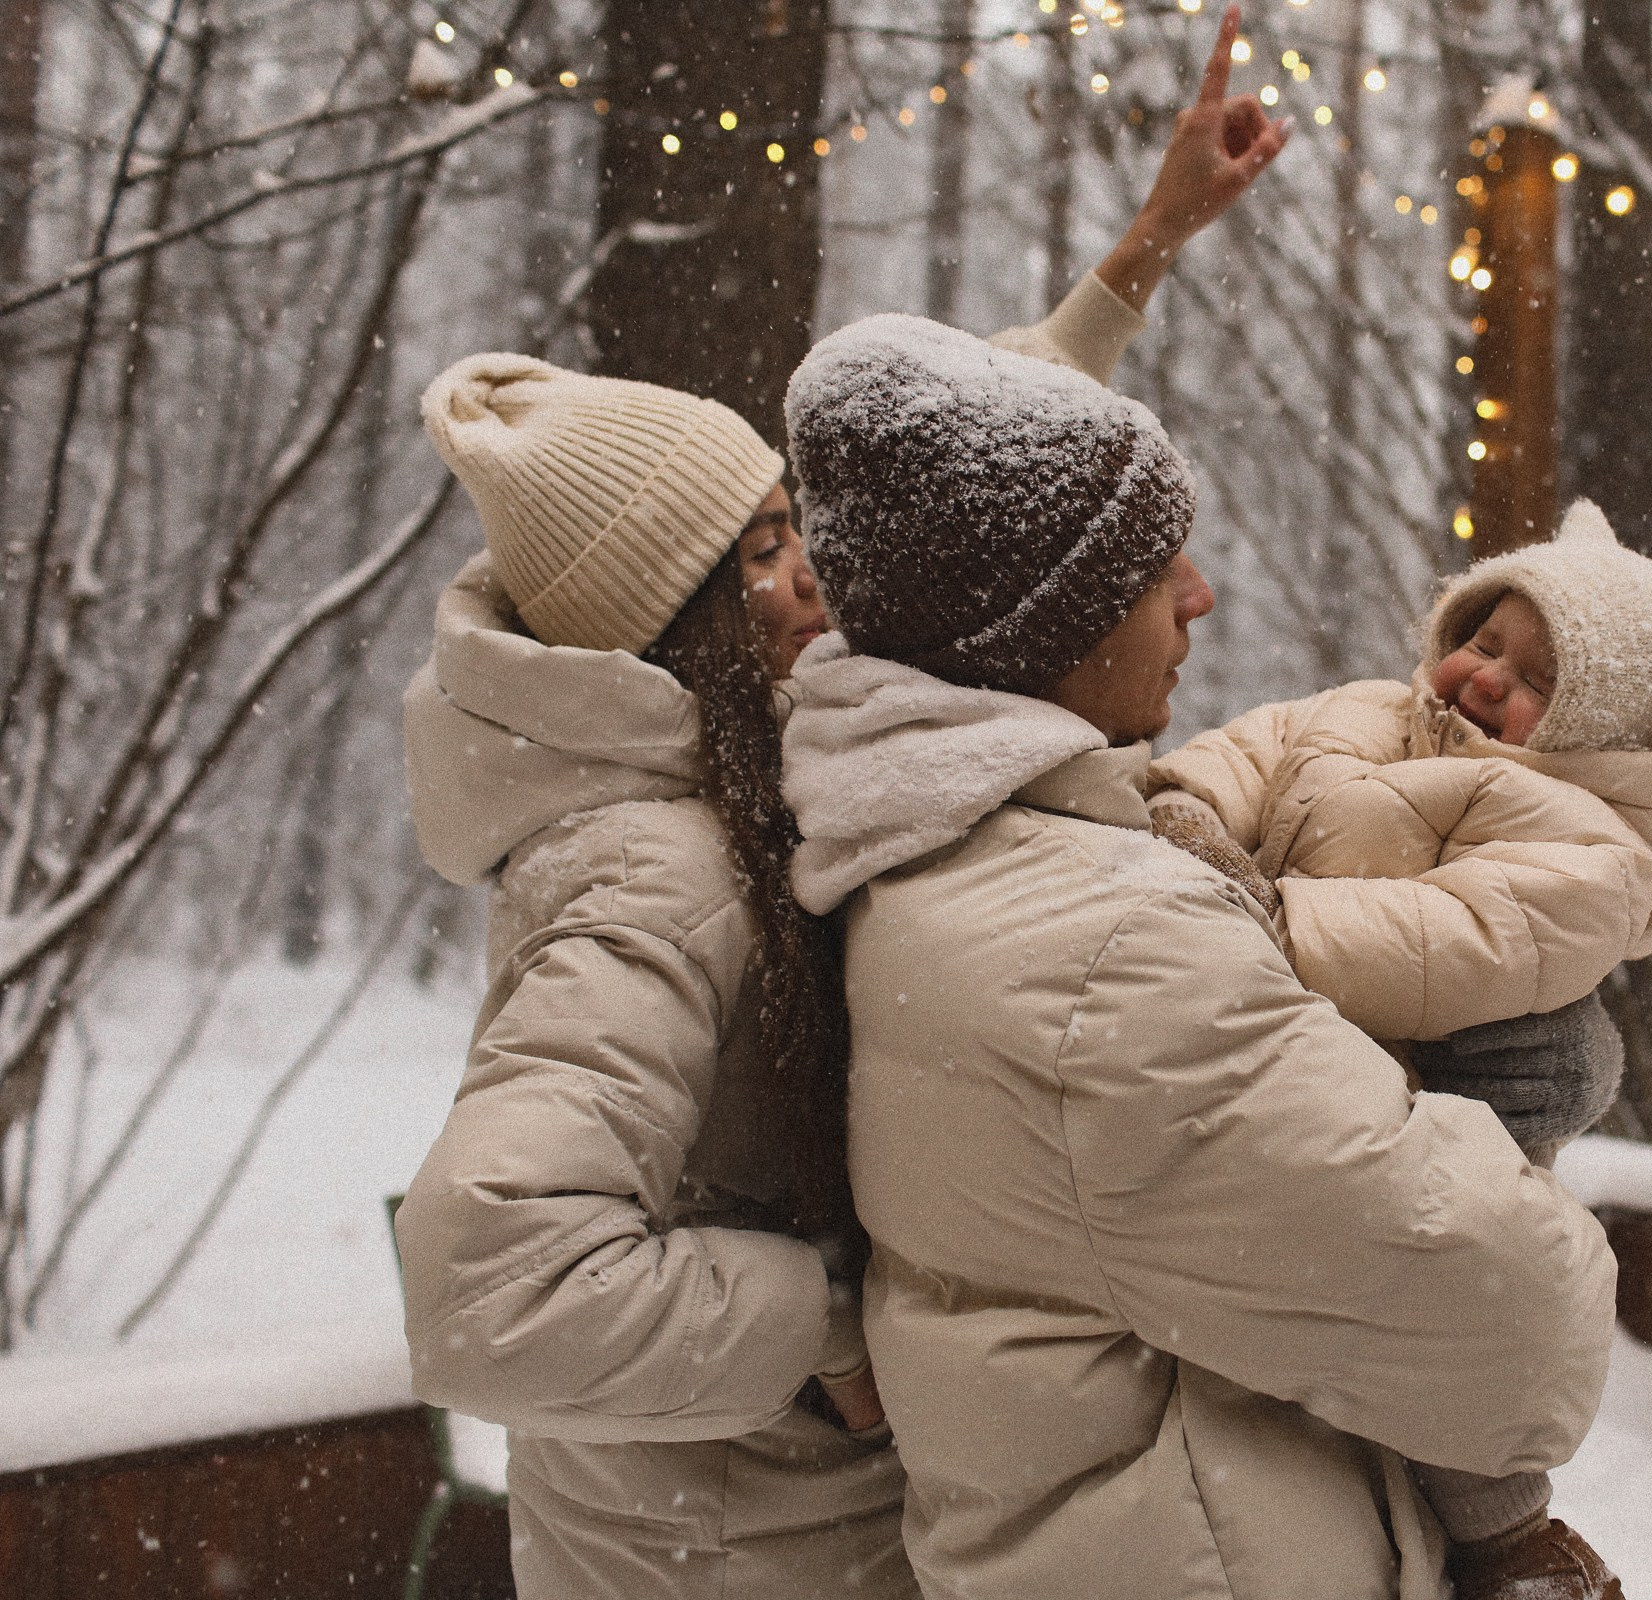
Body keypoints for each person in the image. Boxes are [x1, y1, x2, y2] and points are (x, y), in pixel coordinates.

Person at [391, 12, 1288, 1593]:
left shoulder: (746, 751)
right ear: (671, 633)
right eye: (756, 555)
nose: (814, 568)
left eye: (788, 520)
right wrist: (821, 1320)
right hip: (717, 1560)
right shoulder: (649, 871)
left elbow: (960, 499)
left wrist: (1143, 252)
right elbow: (489, 1293)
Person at [776, 299, 1620, 1600]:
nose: (1202, 596)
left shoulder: (922, 852)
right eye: (1154, 565)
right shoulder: (1113, 949)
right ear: (1042, 624)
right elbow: (1518, 1325)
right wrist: (1495, 1091)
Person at [1146, 497, 1652, 1597]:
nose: (1487, 677)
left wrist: (1268, 922)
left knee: (1448, 1306)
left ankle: (1506, 1536)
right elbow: (1242, 756)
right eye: (1482, 642)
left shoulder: (1597, 850)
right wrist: (1188, 813)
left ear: (1608, 728)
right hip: (1276, 1050)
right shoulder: (1355, 712)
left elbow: (1446, 944)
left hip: (1429, 1110)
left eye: (1539, 679)